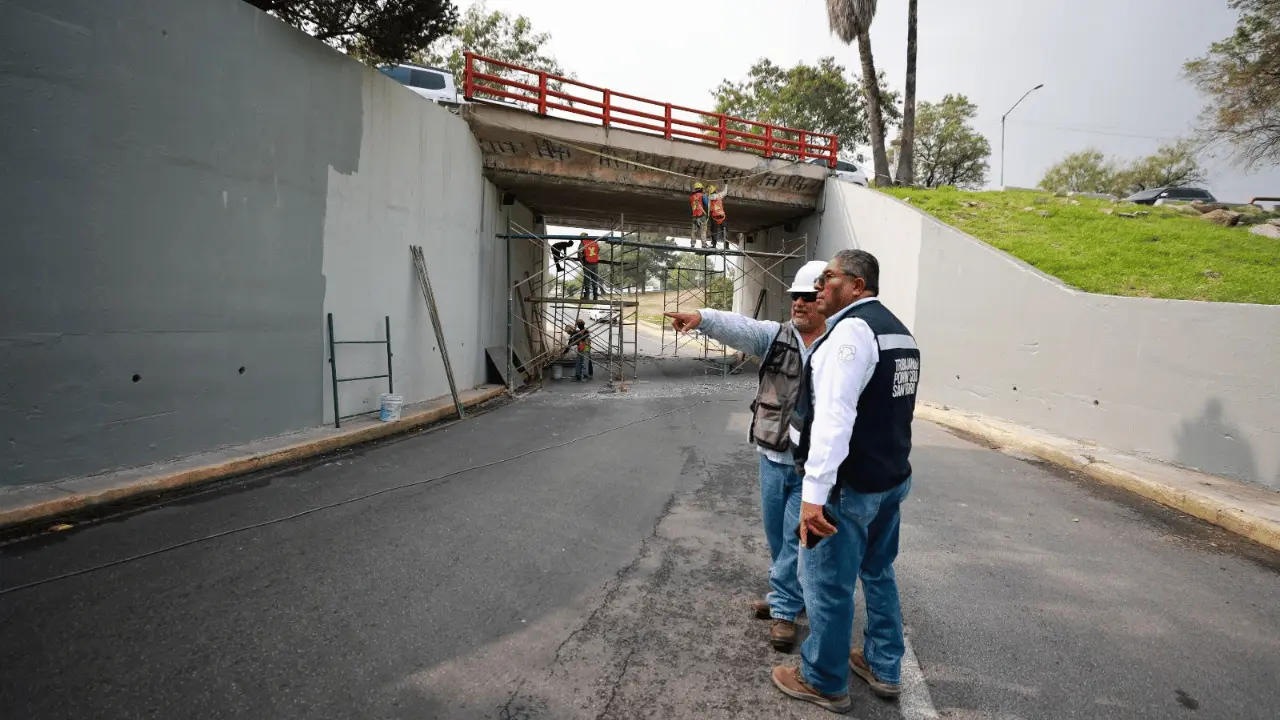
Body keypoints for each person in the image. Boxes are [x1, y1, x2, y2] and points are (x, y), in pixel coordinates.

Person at [771, 249, 920, 714]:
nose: (819, 287)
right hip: (889, 480)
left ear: (857, 285)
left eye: (828, 278)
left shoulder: (850, 334)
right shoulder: (899, 331)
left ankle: (822, 678)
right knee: (877, 572)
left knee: (827, 585)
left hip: (849, 488)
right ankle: (883, 665)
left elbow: (835, 421)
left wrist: (814, 498)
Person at [664, 260, 829, 653]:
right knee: (777, 537)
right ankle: (788, 594)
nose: (799, 304)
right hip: (773, 458)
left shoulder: (840, 345)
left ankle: (785, 611)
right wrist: (701, 318)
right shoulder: (776, 337)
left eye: (808, 297)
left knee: (795, 539)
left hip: (813, 468)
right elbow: (739, 327)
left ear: (825, 301)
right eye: (795, 297)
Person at [579, 233, 601, 300]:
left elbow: (579, 253)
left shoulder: (583, 243)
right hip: (595, 264)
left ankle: (587, 296)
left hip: (587, 263)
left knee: (587, 280)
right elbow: (598, 250)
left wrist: (582, 262)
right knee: (595, 280)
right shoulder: (594, 242)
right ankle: (595, 296)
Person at [707, 182, 728, 248]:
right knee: (724, 231)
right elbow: (725, 192)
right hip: (722, 217)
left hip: (715, 217)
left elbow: (709, 209)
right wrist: (726, 184)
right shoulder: (719, 195)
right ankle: (726, 246)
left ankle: (714, 245)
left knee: (714, 232)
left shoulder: (709, 198)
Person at [689, 182, 709, 248]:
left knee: (694, 231)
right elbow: (706, 204)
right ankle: (703, 244)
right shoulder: (703, 195)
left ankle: (692, 243)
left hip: (695, 216)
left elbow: (691, 205)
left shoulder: (691, 197)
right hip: (702, 216)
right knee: (703, 230)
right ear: (701, 188)